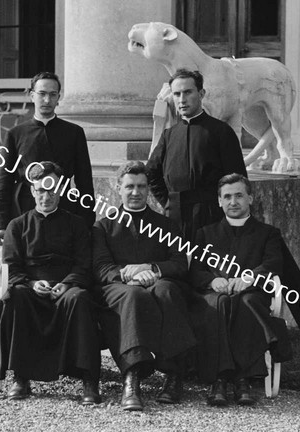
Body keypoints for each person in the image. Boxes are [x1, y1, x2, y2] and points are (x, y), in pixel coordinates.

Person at [189, 173, 300, 406]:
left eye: (239, 195)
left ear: (250, 199)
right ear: (219, 201)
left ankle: (234, 379)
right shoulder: (205, 234)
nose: (233, 202)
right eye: (227, 197)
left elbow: (273, 263)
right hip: (216, 295)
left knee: (245, 304)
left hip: (252, 293)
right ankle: (230, 379)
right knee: (221, 303)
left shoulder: (267, 233)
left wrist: (250, 277)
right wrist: (211, 281)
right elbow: (195, 270)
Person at [0, 161, 101, 405]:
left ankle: (88, 379)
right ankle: (22, 376)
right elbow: (12, 265)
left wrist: (67, 283)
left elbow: (84, 264)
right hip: (31, 288)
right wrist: (31, 283)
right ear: (32, 191)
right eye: (40, 190)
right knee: (16, 296)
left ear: (60, 190)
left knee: (79, 298)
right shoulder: (17, 226)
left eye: (51, 190)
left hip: (67, 288)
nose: (46, 196)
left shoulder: (77, 224)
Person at [92, 161, 196, 411]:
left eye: (141, 186)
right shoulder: (103, 226)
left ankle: (173, 376)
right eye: (129, 187)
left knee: (167, 291)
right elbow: (101, 268)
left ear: (148, 189)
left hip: (157, 282)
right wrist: (129, 276)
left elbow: (180, 263)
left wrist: (152, 269)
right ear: (118, 188)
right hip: (119, 289)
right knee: (132, 296)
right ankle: (132, 377)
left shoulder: (166, 225)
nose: (136, 192)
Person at [0, 71, 94, 245]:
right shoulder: (15, 134)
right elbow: (4, 181)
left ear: (58, 98)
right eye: (42, 94)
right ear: (32, 96)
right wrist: (0, 224)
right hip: (24, 210)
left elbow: (84, 180)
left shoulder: (74, 133)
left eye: (52, 95)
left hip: (65, 207)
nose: (47, 100)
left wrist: (86, 220)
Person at [146, 69, 247, 241]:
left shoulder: (221, 131)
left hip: (211, 217)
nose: (182, 99)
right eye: (176, 94)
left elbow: (237, 179)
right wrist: (169, 202)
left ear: (201, 94)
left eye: (187, 92)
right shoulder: (169, 135)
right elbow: (151, 172)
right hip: (175, 218)